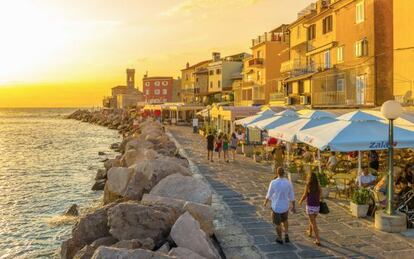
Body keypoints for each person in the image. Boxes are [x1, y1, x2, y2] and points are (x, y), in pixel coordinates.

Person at [263, 167, 296, 244]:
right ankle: (286, 234)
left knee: (277, 223)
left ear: (277, 173)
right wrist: (293, 206)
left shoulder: (273, 182)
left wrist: (265, 202)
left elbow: (269, 194)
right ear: (284, 173)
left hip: (276, 207)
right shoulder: (288, 182)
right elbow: (292, 196)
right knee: (285, 220)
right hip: (285, 206)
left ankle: (280, 238)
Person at [298, 172, 322, 246]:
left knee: (313, 223)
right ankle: (310, 232)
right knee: (312, 220)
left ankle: (318, 239)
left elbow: (305, 195)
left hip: (310, 206)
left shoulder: (308, 185)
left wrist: (300, 201)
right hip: (317, 207)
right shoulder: (318, 186)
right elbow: (321, 195)